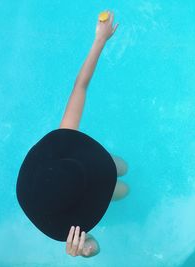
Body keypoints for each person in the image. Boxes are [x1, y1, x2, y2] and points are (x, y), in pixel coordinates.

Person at [59, 10, 129, 257]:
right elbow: (80, 84)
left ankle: (112, 170)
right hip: (95, 175)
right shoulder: (61, 146)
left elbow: (88, 243)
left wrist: (82, 248)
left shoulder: (63, 210)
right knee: (122, 182)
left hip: (95, 178)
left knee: (122, 173)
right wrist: (100, 39)